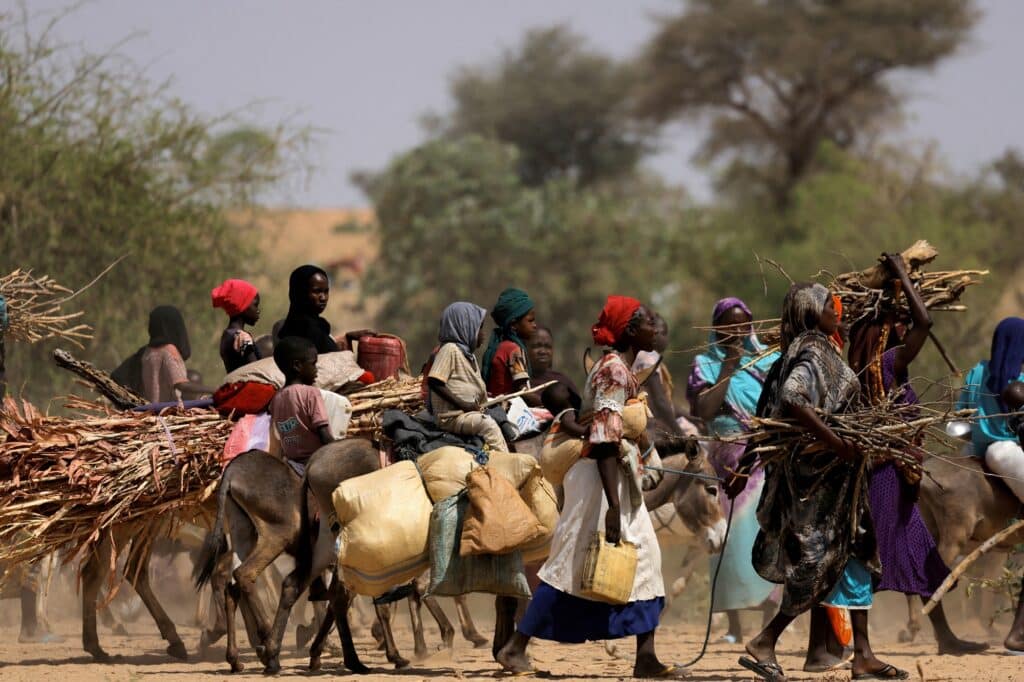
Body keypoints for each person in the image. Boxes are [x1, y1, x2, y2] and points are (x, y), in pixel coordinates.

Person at [497, 296, 681, 679]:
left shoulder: (622, 369)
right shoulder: (613, 371)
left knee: (644, 559)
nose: (653, 328)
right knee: (569, 563)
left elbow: (624, 433)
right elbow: (603, 437)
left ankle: (645, 657)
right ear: (630, 331)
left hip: (611, 475)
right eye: (646, 322)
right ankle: (516, 647)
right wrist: (613, 507)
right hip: (600, 477)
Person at [733, 282, 907, 681]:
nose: (837, 309)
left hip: (838, 480)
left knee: (858, 550)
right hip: (816, 481)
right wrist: (837, 443)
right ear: (812, 312)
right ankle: (765, 641)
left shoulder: (813, 347)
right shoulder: (812, 350)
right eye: (830, 304)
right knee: (815, 562)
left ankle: (862, 655)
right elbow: (793, 399)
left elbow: (767, 409)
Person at [847, 254, 986, 656]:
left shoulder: (867, 367)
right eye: (899, 327)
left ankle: (943, 636)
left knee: (916, 554)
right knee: (877, 558)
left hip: (899, 471)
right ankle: (830, 639)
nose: (908, 330)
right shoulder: (891, 362)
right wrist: (906, 278)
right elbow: (927, 322)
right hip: (889, 472)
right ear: (886, 336)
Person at [687, 297, 780, 645]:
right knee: (729, 540)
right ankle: (734, 626)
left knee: (763, 534)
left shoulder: (767, 362)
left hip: (762, 458)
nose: (737, 331)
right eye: (729, 324)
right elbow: (706, 410)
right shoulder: (704, 365)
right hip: (724, 461)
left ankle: (769, 622)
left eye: (743, 324)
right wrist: (729, 363)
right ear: (716, 328)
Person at [956, 316, 1024, 499]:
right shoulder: (1020, 382)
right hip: (1006, 450)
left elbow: (960, 416)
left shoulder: (976, 371)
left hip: (975, 449)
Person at [427, 302, 509, 452]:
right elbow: (434, 381)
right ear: (465, 327)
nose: (483, 334)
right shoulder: (449, 349)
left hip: (468, 413)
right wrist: (463, 404)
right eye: (480, 328)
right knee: (488, 425)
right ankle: (506, 464)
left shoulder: (469, 356)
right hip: (452, 417)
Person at [112, 305, 213, 404]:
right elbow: (181, 384)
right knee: (195, 378)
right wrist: (215, 390)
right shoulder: (169, 351)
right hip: (167, 409)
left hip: (152, 408)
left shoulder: (146, 352)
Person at [268, 336, 335, 476]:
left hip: (292, 466)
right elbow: (324, 435)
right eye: (313, 364)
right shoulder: (311, 393)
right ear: (297, 365)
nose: (316, 369)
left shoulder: (276, 399)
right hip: (317, 463)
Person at [481, 287, 538, 400]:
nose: (535, 325)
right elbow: (523, 393)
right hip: (509, 409)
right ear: (513, 324)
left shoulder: (500, 346)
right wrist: (550, 405)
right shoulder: (513, 350)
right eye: (530, 321)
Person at [211, 278, 262, 373]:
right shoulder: (242, 338)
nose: (258, 310)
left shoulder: (227, 334)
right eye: (255, 305)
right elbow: (256, 371)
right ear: (242, 306)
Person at [528, 325, 581, 409]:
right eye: (537, 346)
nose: (543, 351)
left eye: (547, 347)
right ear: (526, 348)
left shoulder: (562, 381)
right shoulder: (520, 382)